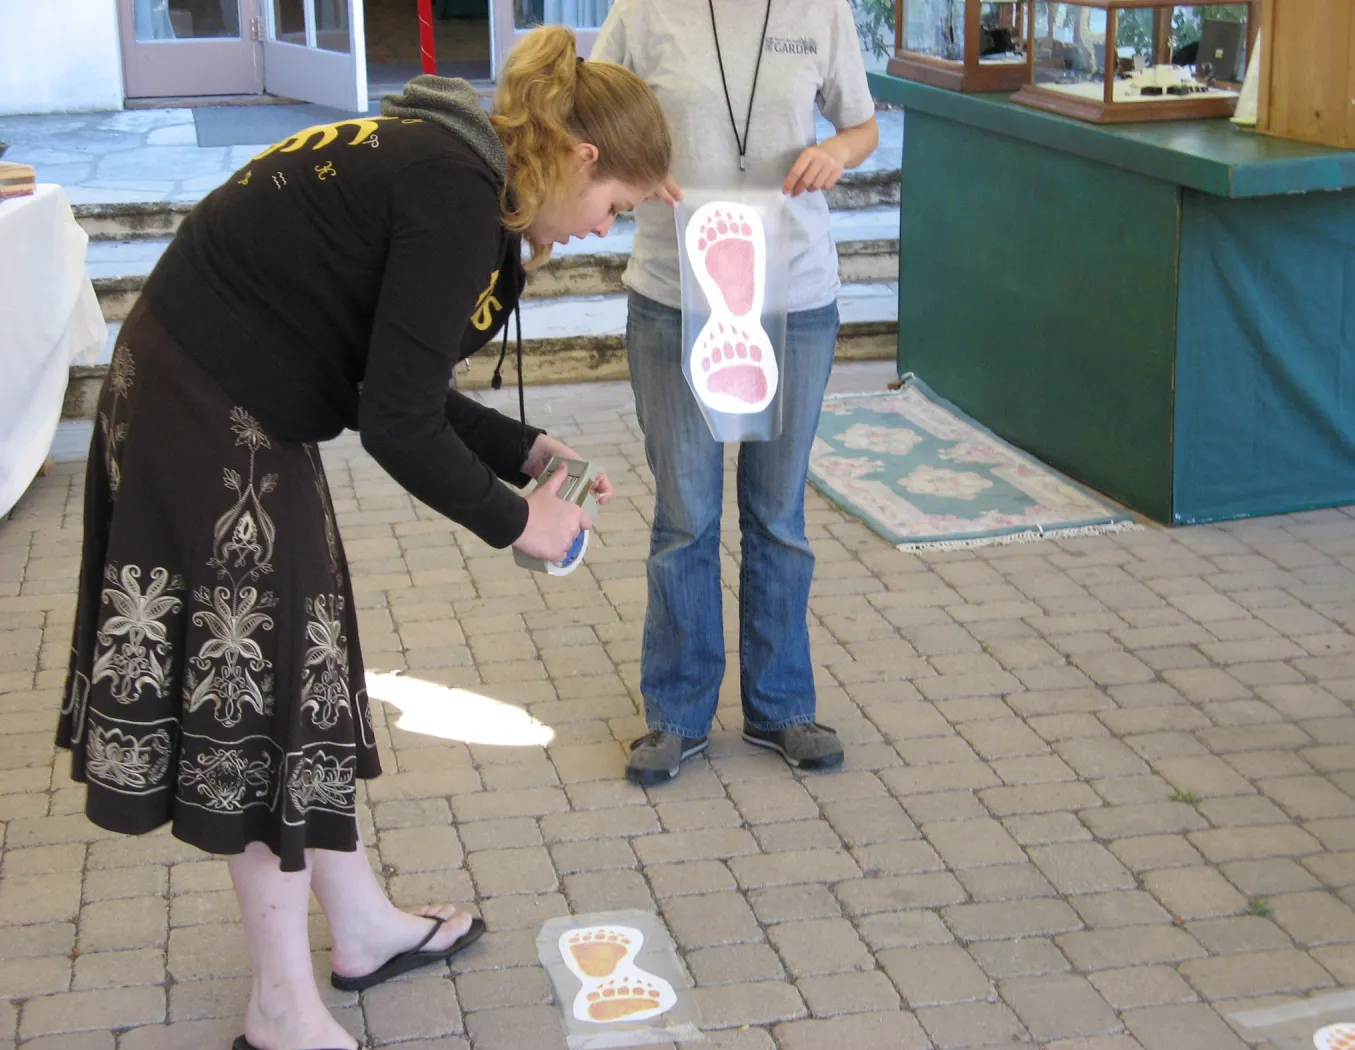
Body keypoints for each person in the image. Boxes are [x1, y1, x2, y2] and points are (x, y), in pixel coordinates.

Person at [57, 26, 670, 1050]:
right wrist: (521, 523)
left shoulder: (454, 169)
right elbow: (396, 424)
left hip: (222, 390)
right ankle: (279, 1009)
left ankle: (363, 928)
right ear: (580, 157)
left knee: (306, 669)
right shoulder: (456, 195)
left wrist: (523, 451)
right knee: (261, 697)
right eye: (616, 207)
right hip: (202, 403)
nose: (603, 230)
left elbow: (388, 374)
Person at [592, 0, 879, 784]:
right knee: (684, 517)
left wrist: (837, 152)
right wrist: (629, 168)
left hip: (796, 295)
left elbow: (862, 127)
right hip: (673, 295)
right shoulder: (643, 11)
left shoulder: (821, 10)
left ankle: (781, 706)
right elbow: (586, 112)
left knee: (778, 516)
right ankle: (678, 715)